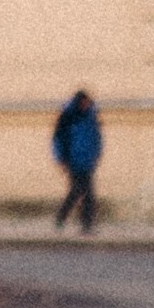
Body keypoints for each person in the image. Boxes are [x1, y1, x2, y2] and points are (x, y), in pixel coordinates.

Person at [52, 87, 103, 232]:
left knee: (86, 194)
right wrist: (61, 159)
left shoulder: (91, 117)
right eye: (83, 102)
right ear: (78, 102)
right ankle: (64, 218)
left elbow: (96, 137)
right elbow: (58, 139)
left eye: (87, 102)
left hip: (87, 162)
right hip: (72, 162)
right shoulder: (67, 117)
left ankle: (85, 225)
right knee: (78, 192)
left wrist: (96, 155)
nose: (86, 105)